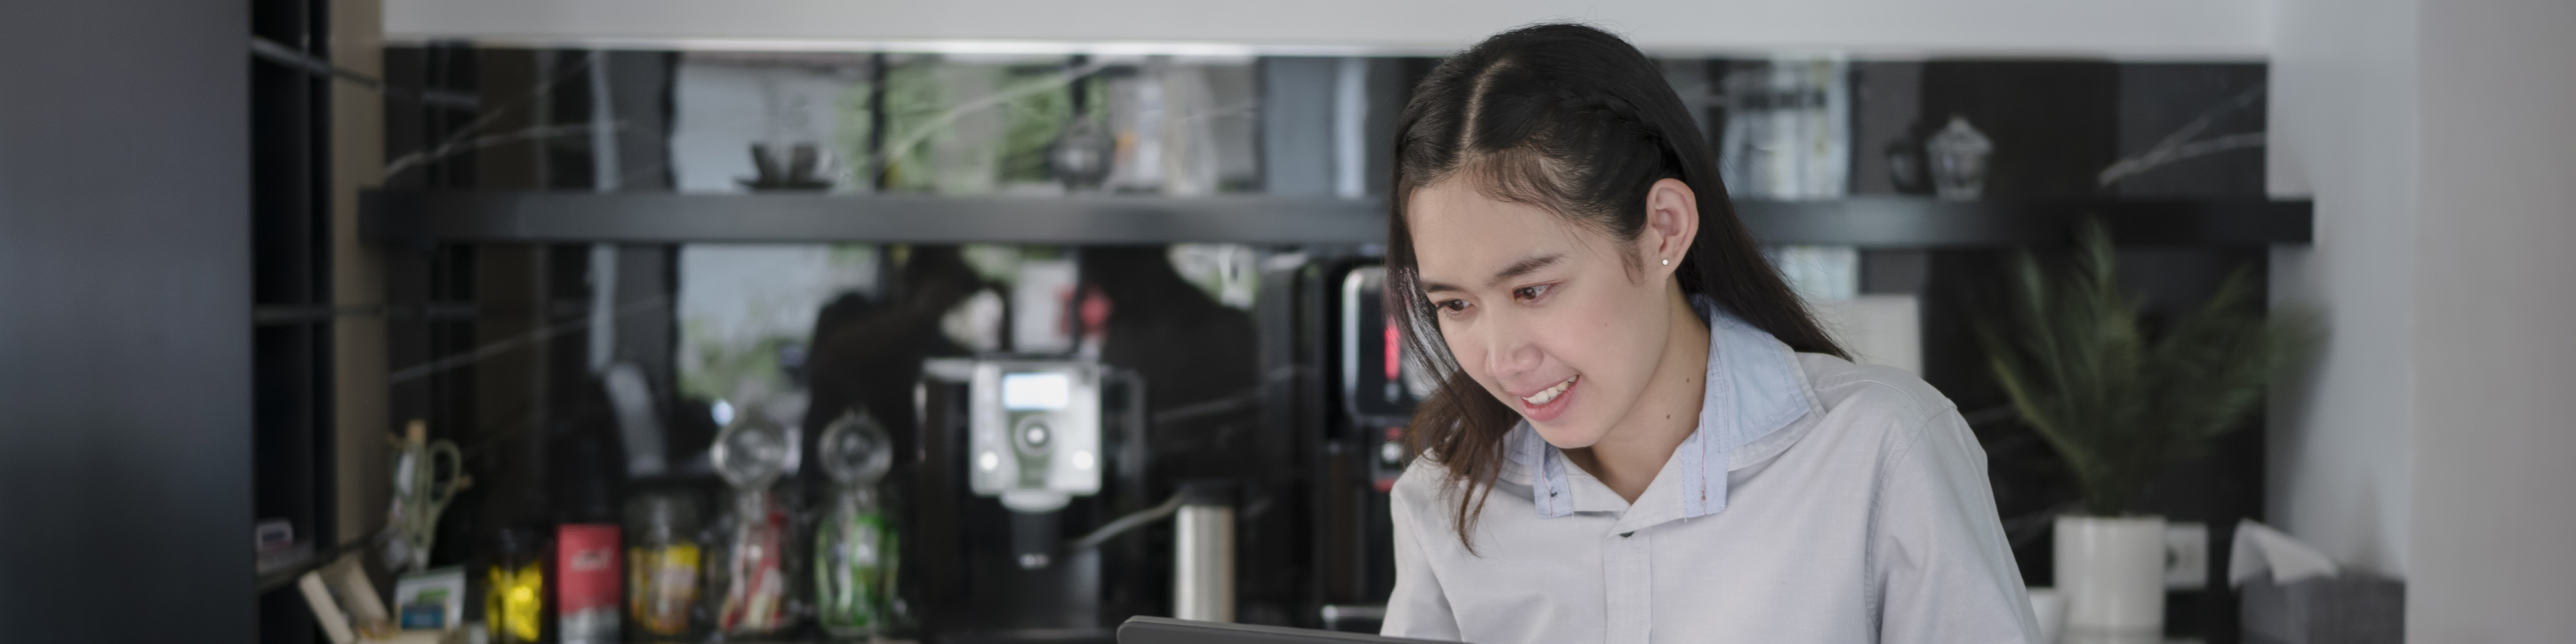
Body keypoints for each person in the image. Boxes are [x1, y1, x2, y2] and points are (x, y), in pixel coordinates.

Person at [1379, 24, 2041, 643]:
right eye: (1456, 304)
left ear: (1665, 227)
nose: (1500, 358)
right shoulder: (1445, 501)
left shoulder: (1882, 450)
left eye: (1533, 290)